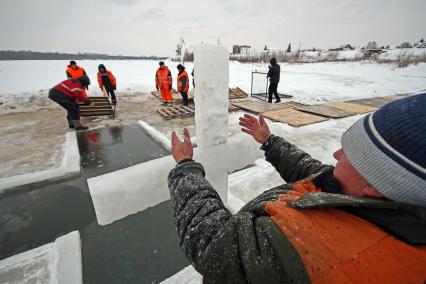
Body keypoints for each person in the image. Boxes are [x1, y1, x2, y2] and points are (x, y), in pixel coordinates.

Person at [168, 94, 426, 283]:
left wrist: (186, 167)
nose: (336, 154)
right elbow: (311, 171)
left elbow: (213, 243)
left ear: (375, 185)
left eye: (349, 155)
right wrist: (269, 142)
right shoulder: (371, 201)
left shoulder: (324, 248)